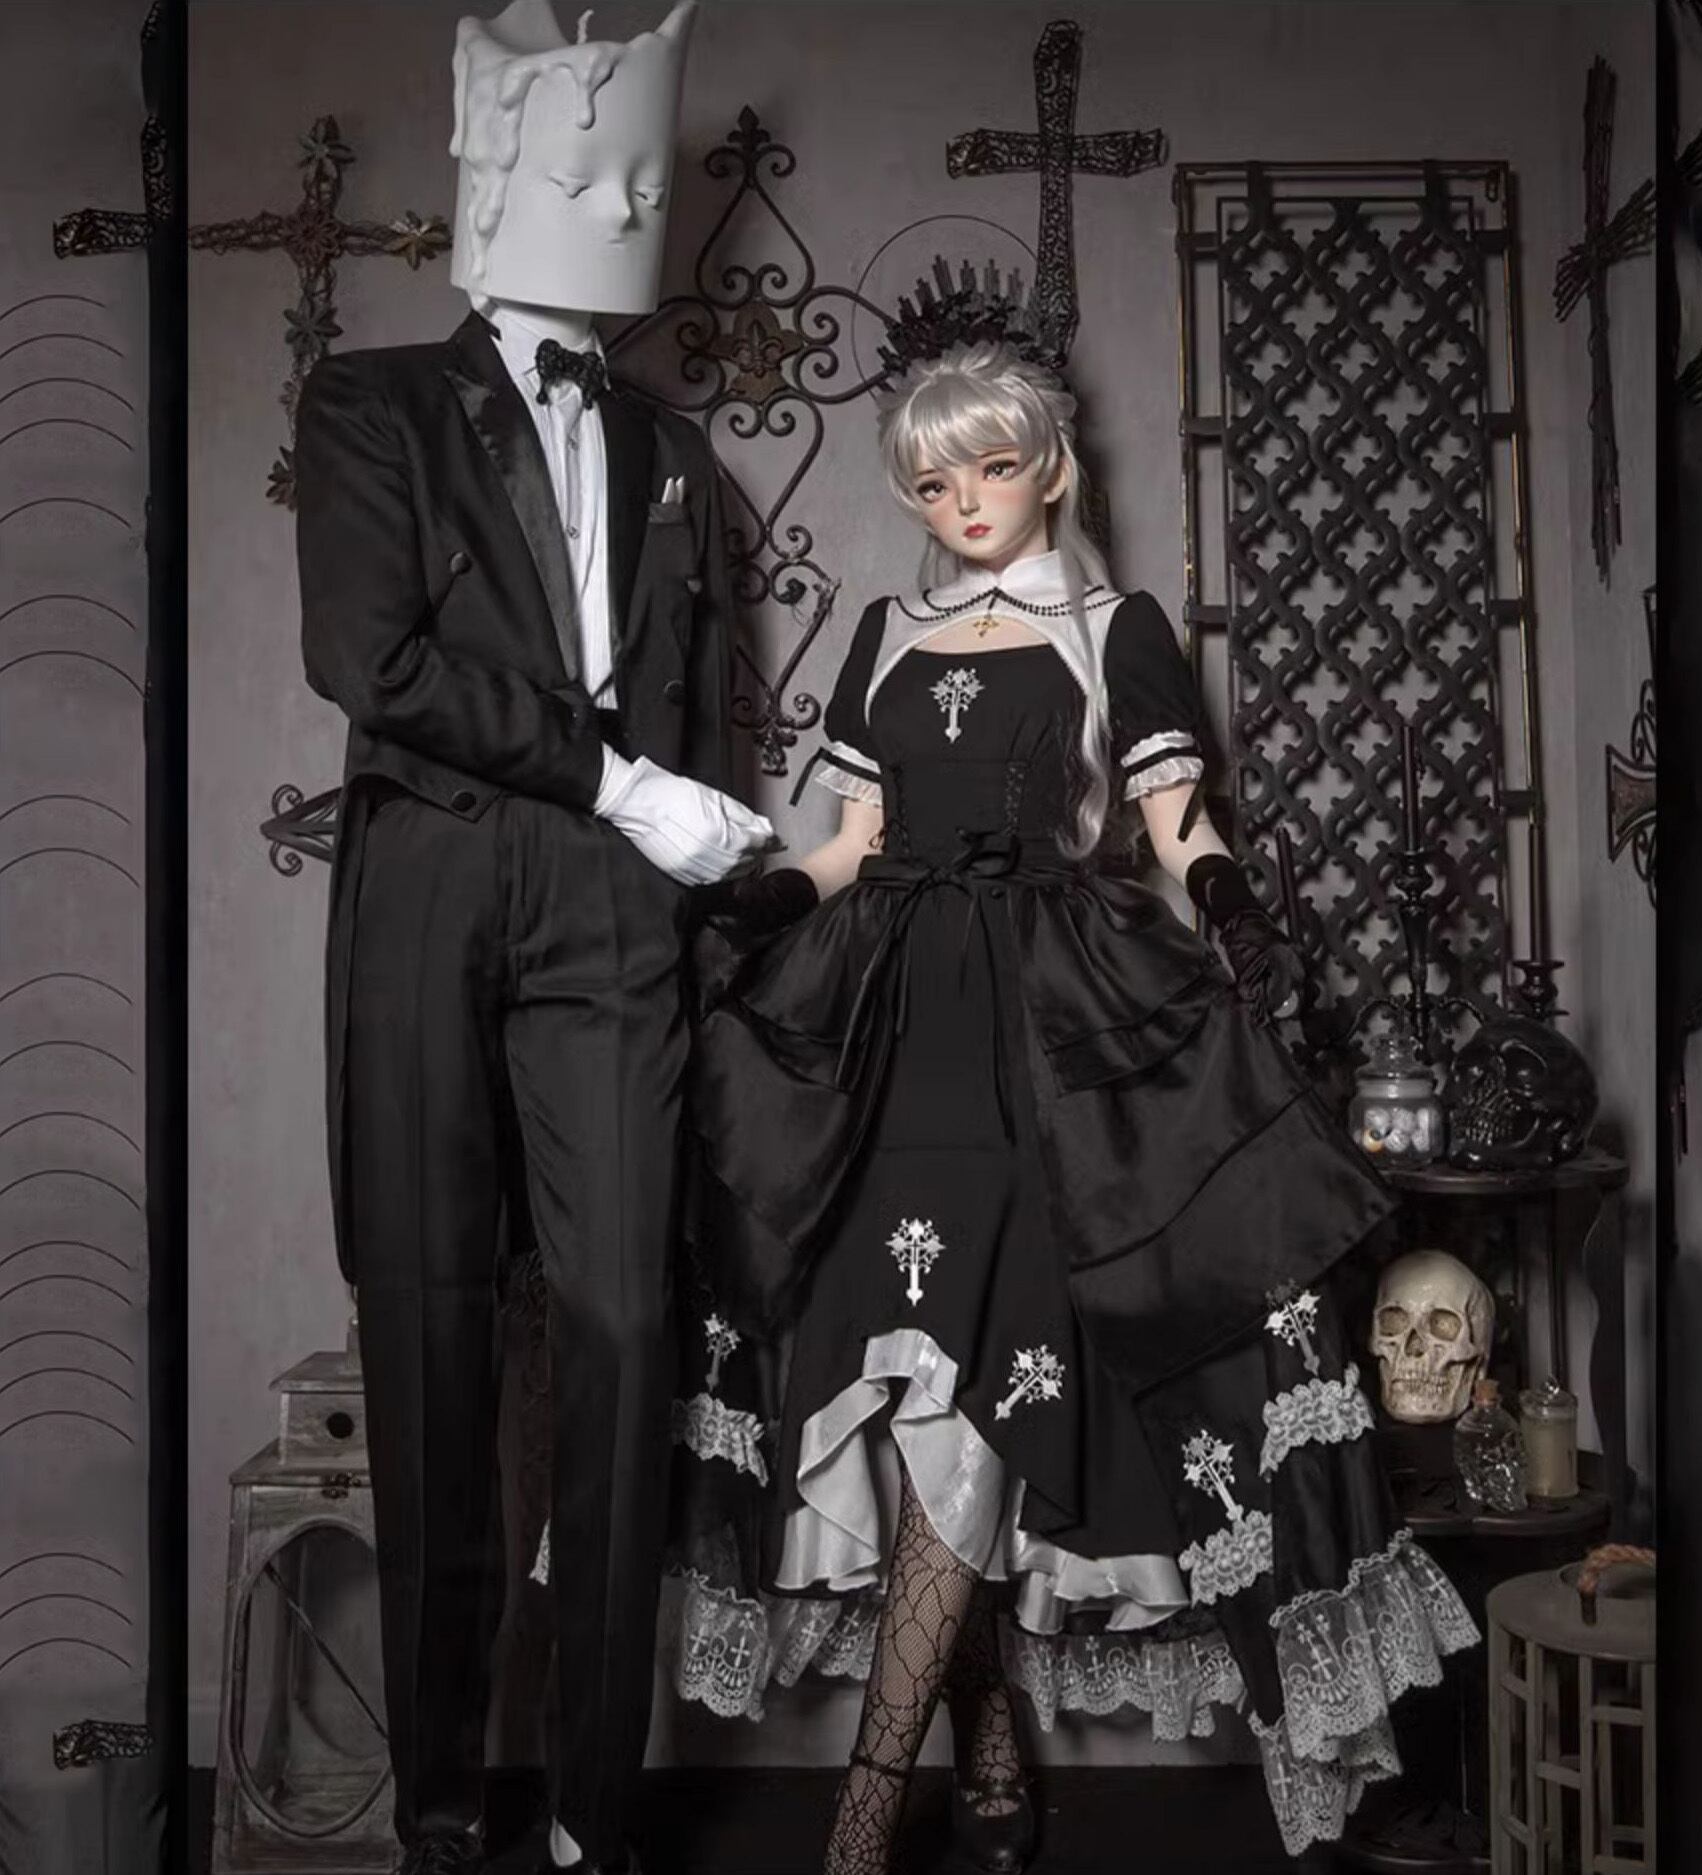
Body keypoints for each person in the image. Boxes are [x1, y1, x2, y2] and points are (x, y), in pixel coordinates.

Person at [666, 278, 1478, 1874]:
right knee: (909, 1375)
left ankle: (860, 1816)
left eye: (990, 468)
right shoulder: (888, 633)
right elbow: (850, 843)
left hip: (1046, 1034)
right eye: (931, 482)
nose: (963, 503)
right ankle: (985, 1747)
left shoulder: (1118, 631)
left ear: (1049, 465)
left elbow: (1173, 825)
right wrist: (757, 906)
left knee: (988, 1378)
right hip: (888, 1033)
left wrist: (1231, 905)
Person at [295, 6, 771, 1872]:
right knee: (429, 1334)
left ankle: (592, 1808)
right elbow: (373, 660)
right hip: (434, 881)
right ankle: (436, 1819)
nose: (633, 206)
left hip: (616, 911)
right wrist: (620, 781)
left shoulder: (674, 448)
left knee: (630, 1329)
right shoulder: (370, 405)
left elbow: (702, 708)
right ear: (497, 173)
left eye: (648, 175)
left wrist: (700, 876)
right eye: (602, 170)